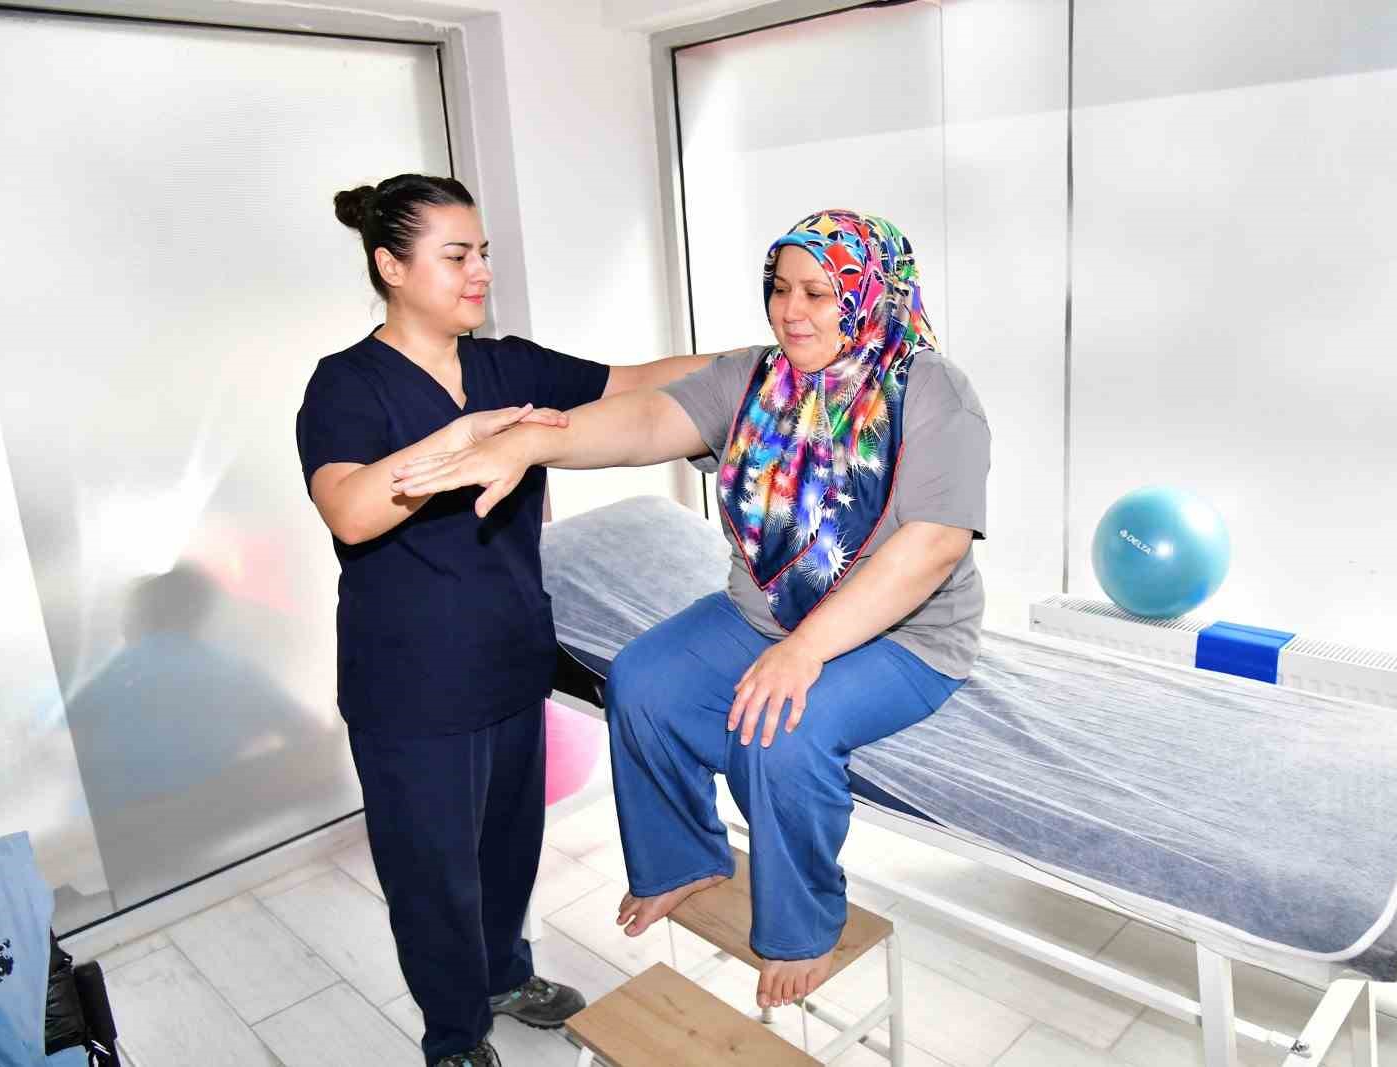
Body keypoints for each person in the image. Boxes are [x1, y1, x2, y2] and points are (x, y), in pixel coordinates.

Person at [392, 209, 990, 1011]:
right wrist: (532, 442)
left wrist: (804, 650)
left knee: (781, 732)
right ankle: (683, 858)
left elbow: (934, 546)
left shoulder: (931, 389)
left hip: (905, 636)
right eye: (780, 288)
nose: (791, 310)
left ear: (868, 294)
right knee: (642, 680)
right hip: (763, 614)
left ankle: (804, 925)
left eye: (817, 292)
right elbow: (646, 419)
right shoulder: (756, 377)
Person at [296, 173, 711, 1067]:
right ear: (391, 266)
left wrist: (775, 356)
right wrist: (462, 440)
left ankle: (503, 976)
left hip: (512, 659)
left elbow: (637, 383)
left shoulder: (505, 364)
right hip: (411, 688)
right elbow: (351, 512)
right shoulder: (346, 386)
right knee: (432, 875)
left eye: (482, 252)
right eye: (457, 256)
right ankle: (454, 1034)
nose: (480, 270)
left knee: (506, 851)